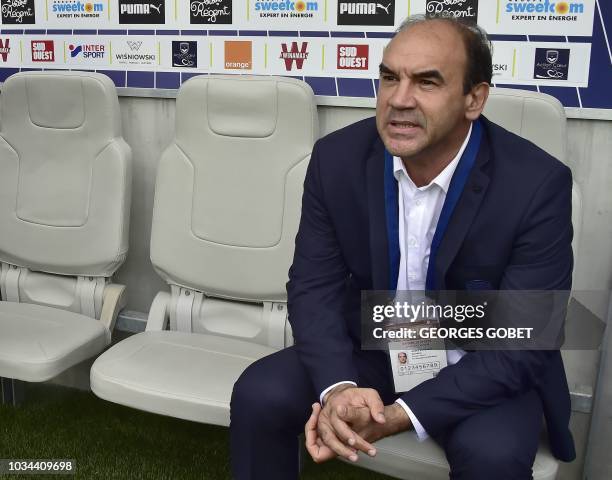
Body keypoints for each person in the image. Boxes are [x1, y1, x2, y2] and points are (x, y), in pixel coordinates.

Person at [230, 15, 575, 480]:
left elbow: (522, 341)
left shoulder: (536, 183)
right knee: (261, 393)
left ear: (474, 98)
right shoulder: (338, 159)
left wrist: (398, 415)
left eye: (427, 82)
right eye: (390, 77)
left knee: (492, 455)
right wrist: (339, 389)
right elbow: (314, 286)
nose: (399, 99)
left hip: (482, 363)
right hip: (375, 345)